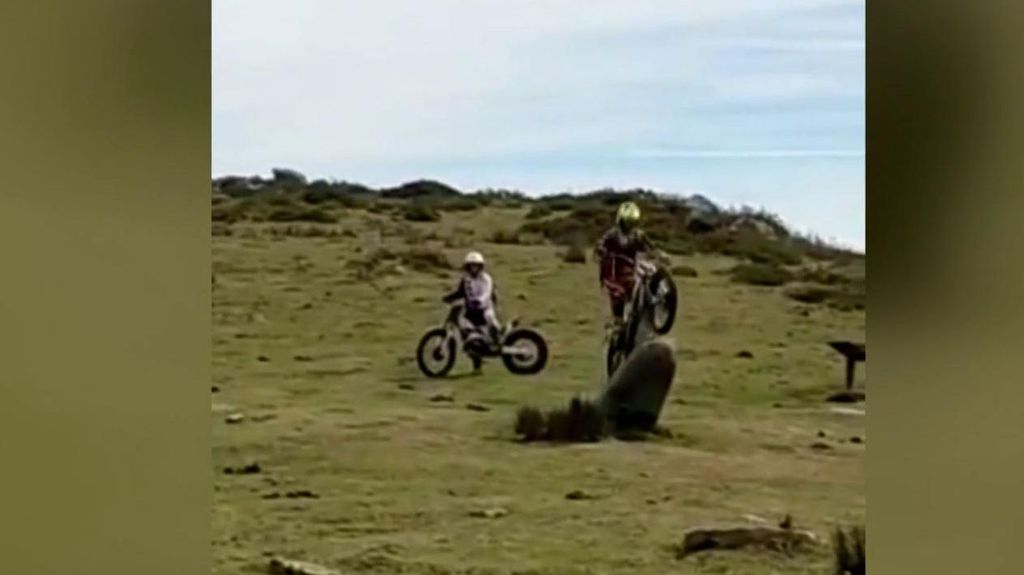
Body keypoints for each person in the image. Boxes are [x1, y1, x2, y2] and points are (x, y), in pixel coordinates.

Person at [595, 201, 655, 328]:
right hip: (614, 270)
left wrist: (657, 254)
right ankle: (617, 322)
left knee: (647, 276)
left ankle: (653, 304)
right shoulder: (612, 234)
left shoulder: (638, 235)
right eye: (627, 223)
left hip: (631, 269)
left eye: (632, 223)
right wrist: (602, 251)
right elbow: (600, 245)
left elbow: (650, 247)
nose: (629, 227)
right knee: (618, 293)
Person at [442, 251, 503, 349]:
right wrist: (449, 298)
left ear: (480, 267)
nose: (473, 268)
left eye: (476, 266)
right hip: (471, 310)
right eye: (471, 266)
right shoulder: (466, 280)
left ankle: (499, 336)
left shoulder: (486, 279)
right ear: (467, 267)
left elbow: (487, 293)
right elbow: (461, 292)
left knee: (489, 317)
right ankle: (474, 347)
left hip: (485, 308)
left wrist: (479, 301)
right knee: (463, 324)